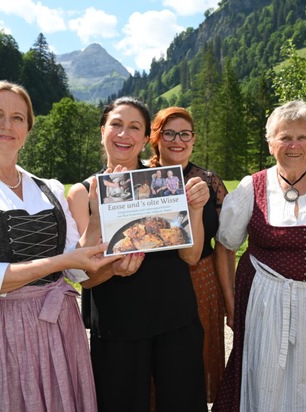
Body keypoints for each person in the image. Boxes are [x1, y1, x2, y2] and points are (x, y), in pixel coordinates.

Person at [0, 80, 122, 412]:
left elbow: (76, 267)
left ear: (28, 128)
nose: (7, 125)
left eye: (18, 117)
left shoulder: (49, 188)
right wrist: (58, 263)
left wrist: (101, 221)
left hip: (57, 329)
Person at [66, 97, 211, 412]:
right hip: (118, 325)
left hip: (176, 317)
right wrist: (112, 266)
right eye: (116, 124)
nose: (124, 134)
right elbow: (85, 279)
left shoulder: (164, 182)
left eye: (135, 127)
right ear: (102, 130)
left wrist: (195, 210)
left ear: (146, 138)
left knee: (184, 403)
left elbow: (191, 257)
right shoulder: (83, 192)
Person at [212, 101, 306, 411]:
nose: (293, 145)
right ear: (270, 143)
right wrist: (232, 306)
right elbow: (226, 246)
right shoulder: (252, 186)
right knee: (266, 378)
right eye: (284, 137)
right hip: (265, 301)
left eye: (302, 137)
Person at [148, 107, 236, 404]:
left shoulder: (210, 181)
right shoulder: (140, 180)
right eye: (169, 133)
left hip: (201, 280)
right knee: (153, 368)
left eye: (185, 134)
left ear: (194, 139)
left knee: (193, 366)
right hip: (153, 282)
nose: (177, 140)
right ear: (156, 137)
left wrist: (229, 299)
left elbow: (226, 244)